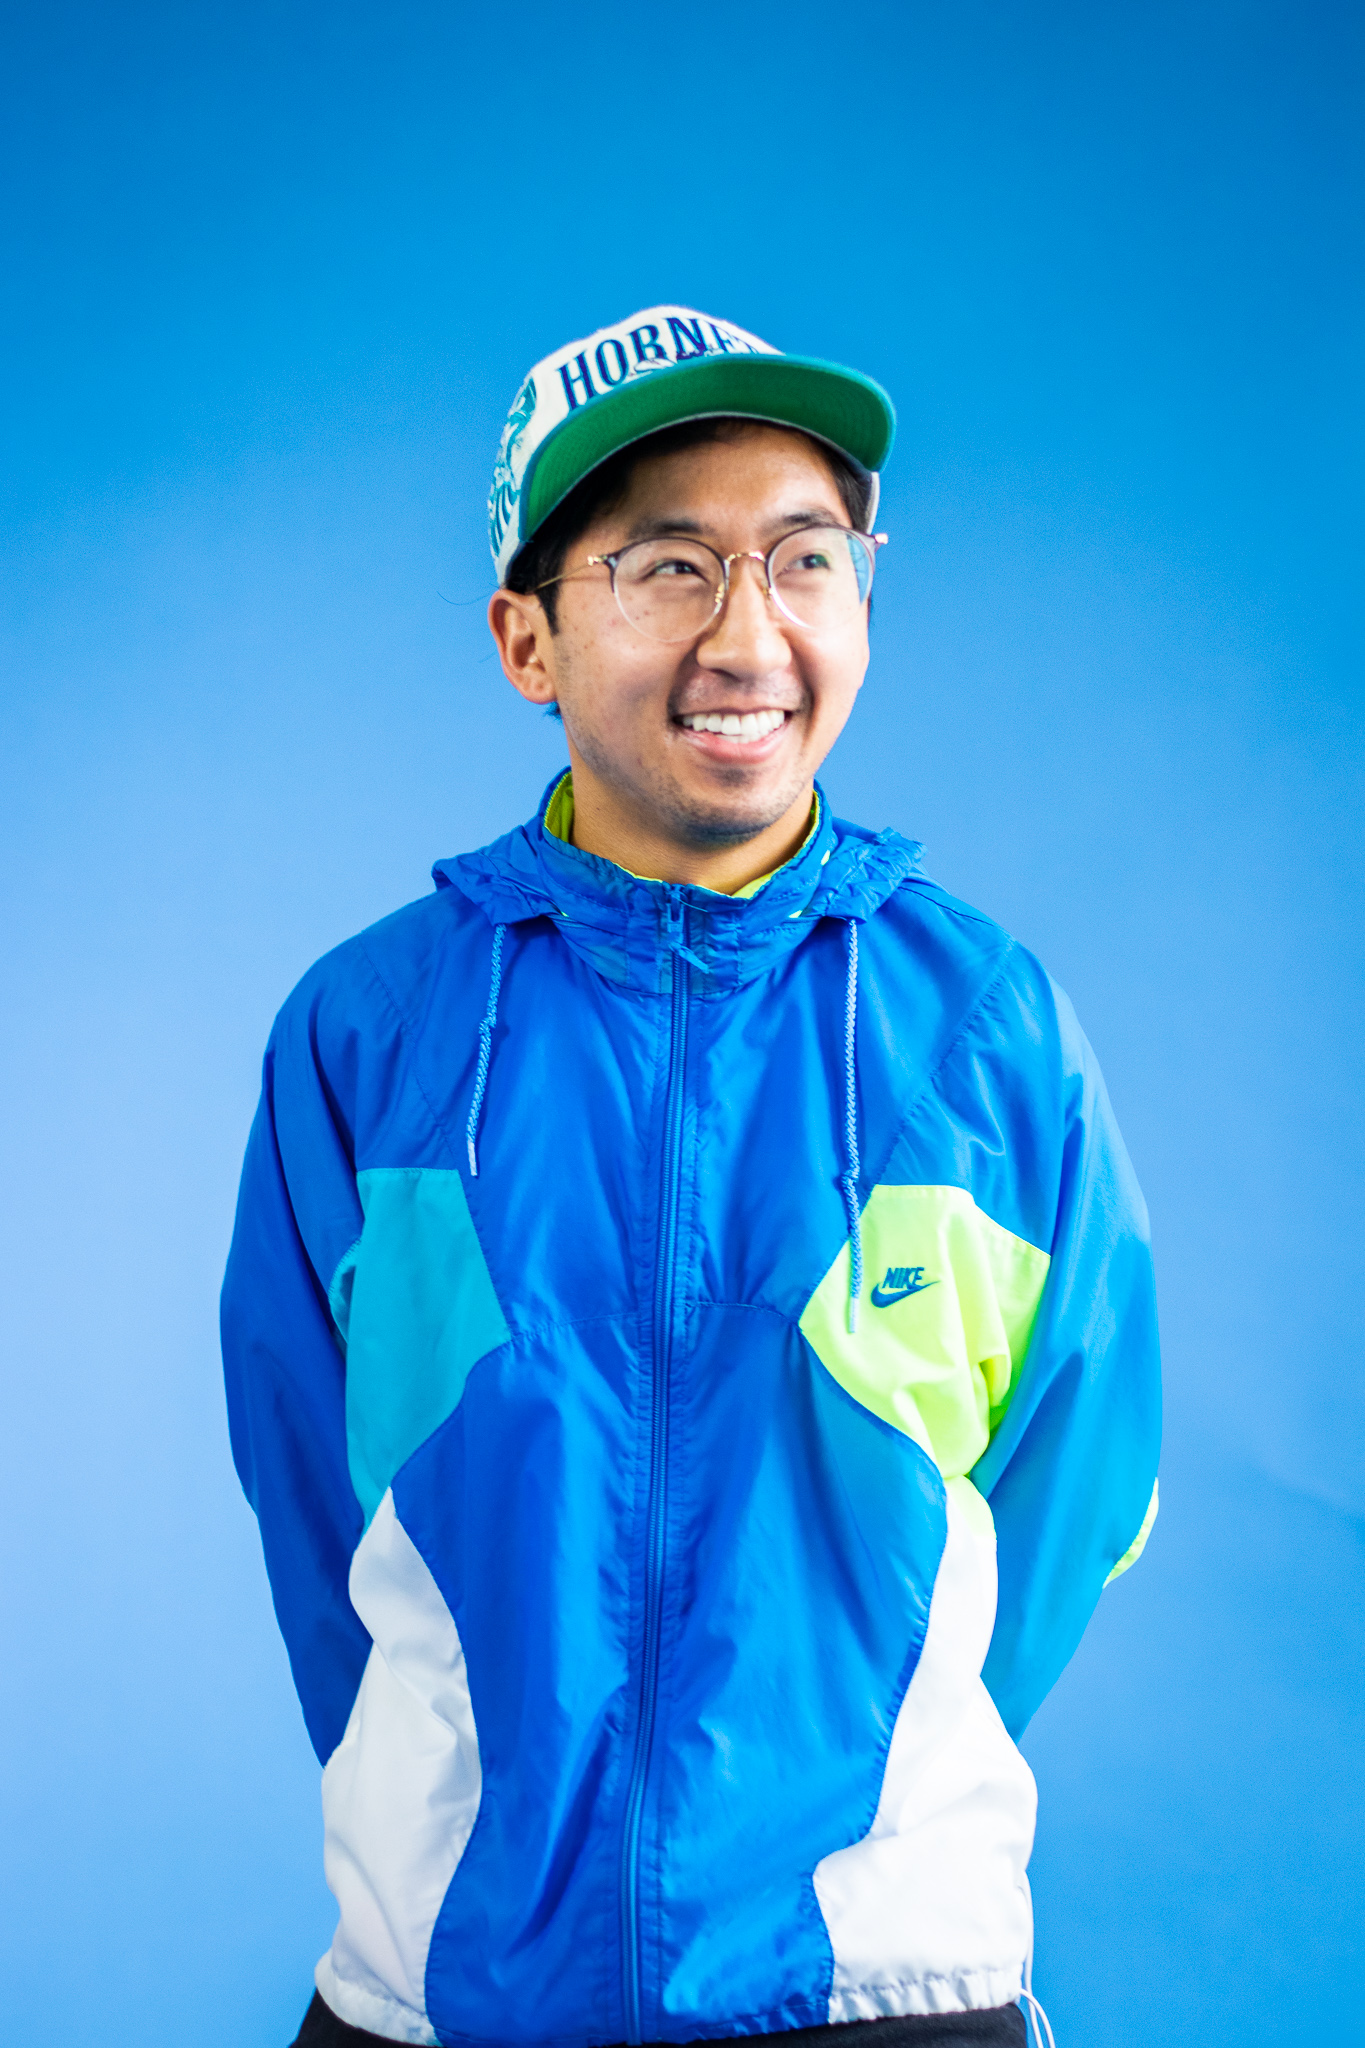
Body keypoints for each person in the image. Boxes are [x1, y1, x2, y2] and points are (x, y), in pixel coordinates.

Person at [221, 304, 1161, 2048]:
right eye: (669, 566)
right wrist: (468, 1821)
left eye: (807, 556)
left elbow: (1079, 1479)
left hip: (889, 1992)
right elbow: (311, 1499)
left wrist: (864, 1768)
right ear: (527, 638)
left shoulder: (982, 1030)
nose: (752, 632)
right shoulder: (369, 1033)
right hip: (449, 1992)